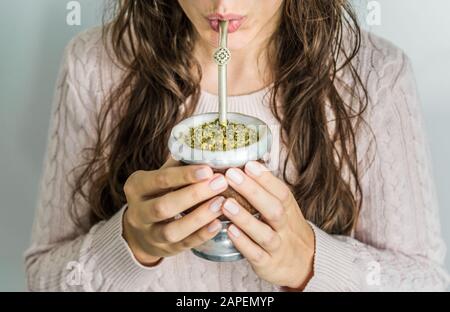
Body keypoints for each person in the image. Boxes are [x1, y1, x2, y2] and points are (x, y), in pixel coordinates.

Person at [25, 0, 449, 291]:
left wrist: (310, 263)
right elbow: (41, 277)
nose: (222, 5)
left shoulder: (376, 78)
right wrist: (130, 244)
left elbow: (429, 281)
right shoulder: (94, 65)